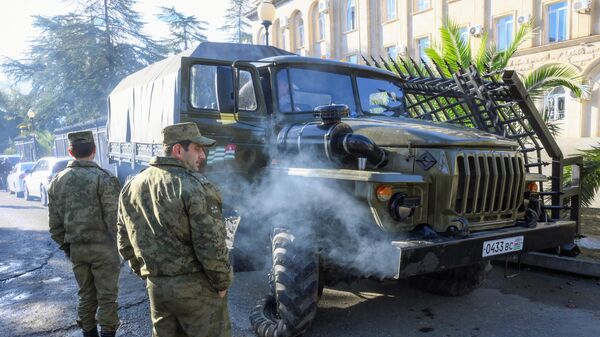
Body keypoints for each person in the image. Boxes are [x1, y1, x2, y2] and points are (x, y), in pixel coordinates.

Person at [117, 122, 233, 337]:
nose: (203, 156)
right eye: (198, 149)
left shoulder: (131, 185)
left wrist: (148, 274)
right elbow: (211, 244)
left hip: (157, 289)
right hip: (197, 289)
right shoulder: (196, 186)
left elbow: (124, 241)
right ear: (178, 150)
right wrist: (222, 281)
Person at [47, 131, 122, 337]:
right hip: (104, 250)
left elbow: (55, 227)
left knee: (86, 295)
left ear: (70, 152)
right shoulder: (104, 179)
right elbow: (115, 221)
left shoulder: (57, 182)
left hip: (77, 249)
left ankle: (88, 333)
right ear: (95, 150)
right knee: (107, 298)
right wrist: (122, 248)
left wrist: (68, 248)